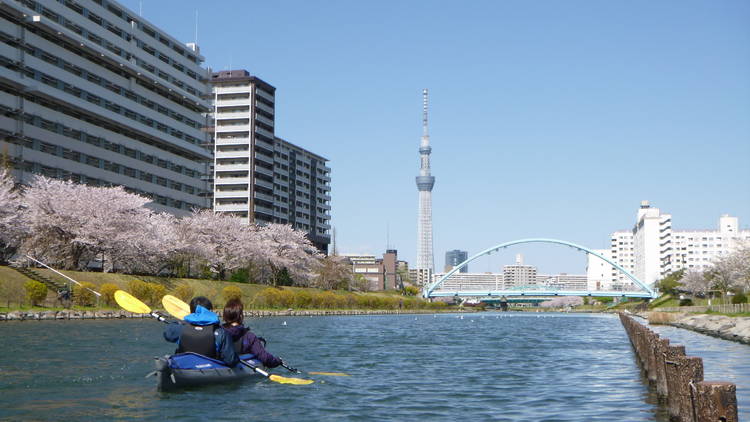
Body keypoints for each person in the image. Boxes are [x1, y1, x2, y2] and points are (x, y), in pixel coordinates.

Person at [163, 296, 239, 367]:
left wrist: (181, 322)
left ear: (191, 311)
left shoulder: (180, 328)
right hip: (209, 370)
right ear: (210, 311)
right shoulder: (221, 332)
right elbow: (230, 360)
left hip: (184, 366)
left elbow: (167, 334)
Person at [222, 298, 283, 368]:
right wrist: (277, 361)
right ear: (241, 316)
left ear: (225, 316)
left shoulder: (217, 332)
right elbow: (265, 358)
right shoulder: (249, 336)